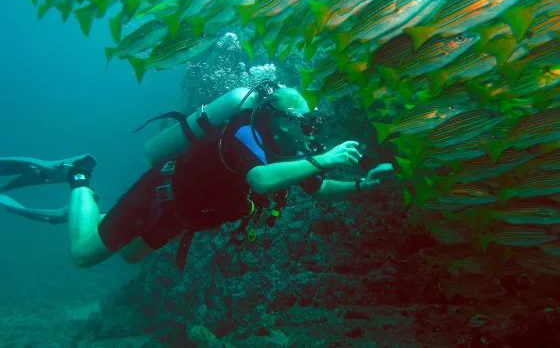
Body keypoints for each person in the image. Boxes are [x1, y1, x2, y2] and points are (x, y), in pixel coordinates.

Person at [0, 82, 394, 269]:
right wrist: (324, 158)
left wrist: (360, 185)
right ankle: (78, 176)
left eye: (310, 126)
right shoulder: (245, 132)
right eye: (300, 123)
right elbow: (260, 181)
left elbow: (319, 188)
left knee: (130, 257)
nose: (307, 133)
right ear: (275, 117)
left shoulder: (285, 152)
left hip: (182, 214)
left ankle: (89, 215)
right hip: (161, 194)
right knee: (84, 256)